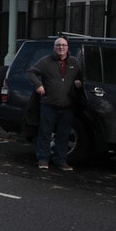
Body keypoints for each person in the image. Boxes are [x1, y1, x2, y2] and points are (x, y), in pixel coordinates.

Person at [27, 37, 83, 171]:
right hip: (48, 104)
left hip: (67, 105)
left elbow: (81, 77)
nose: (61, 47)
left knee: (63, 135)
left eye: (63, 45)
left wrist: (79, 84)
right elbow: (31, 72)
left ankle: (61, 161)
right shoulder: (45, 61)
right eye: (58, 45)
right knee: (45, 133)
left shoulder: (74, 62)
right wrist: (38, 85)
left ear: (68, 47)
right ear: (54, 47)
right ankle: (43, 159)